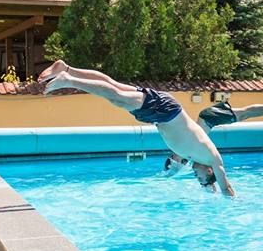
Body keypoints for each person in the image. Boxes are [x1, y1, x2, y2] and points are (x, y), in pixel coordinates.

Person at [37, 60, 235, 196]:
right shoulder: (213, 158)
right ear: (210, 171)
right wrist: (232, 201)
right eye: (199, 177)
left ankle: (67, 69)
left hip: (163, 112)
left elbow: (208, 182)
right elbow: (225, 187)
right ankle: (68, 80)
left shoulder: (195, 157)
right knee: (116, 97)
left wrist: (209, 189)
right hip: (165, 112)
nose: (194, 175)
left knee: (115, 86)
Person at [163, 99, 263, 176]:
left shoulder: (181, 149)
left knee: (245, 113)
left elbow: (177, 165)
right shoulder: (183, 150)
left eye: (177, 162)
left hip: (210, 118)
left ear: (174, 158)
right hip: (209, 118)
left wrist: (169, 172)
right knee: (245, 113)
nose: (181, 163)